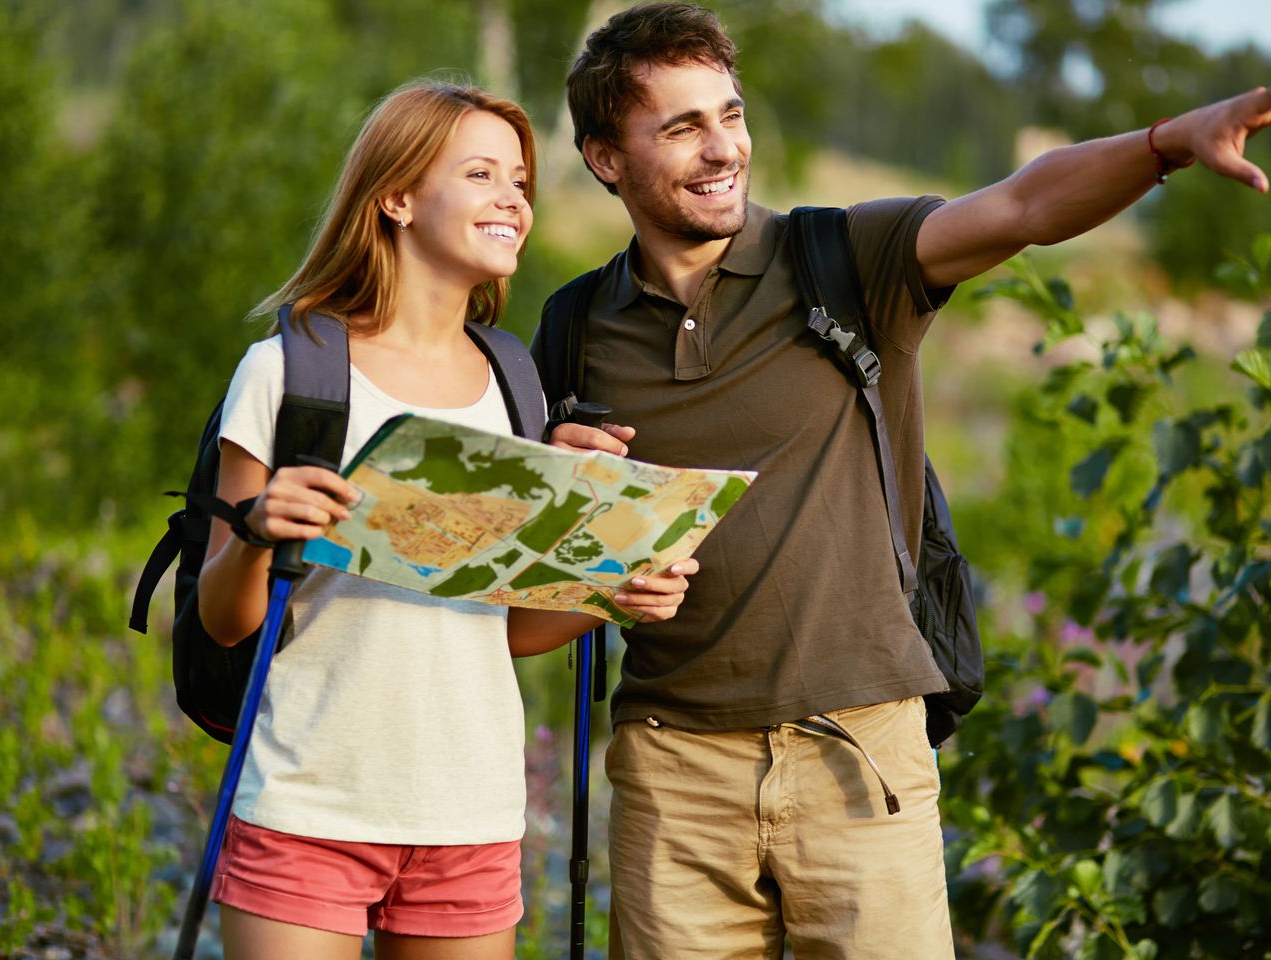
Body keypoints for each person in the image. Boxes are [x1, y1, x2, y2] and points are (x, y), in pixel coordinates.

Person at [537, 4, 1271, 958]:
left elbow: (1022, 205)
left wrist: (1168, 142)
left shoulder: (844, 257)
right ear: (604, 158)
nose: (723, 148)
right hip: (672, 773)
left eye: (731, 113)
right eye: (682, 127)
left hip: (861, 754)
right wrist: (592, 544)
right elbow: (540, 563)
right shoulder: (573, 326)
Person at [195, 79, 698, 960]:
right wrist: (254, 534)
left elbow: (499, 626)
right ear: (395, 197)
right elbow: (223, 617)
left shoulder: (517, 388)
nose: (512, 198)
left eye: (519, 181)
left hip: (471, 815)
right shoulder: (288, 371)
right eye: (480, 174)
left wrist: (617, 591)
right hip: (308, 802)